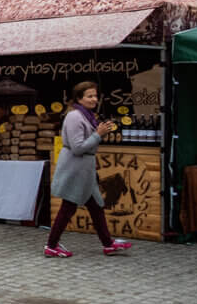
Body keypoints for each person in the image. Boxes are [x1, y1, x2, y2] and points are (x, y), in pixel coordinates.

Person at [45, 81, 132, 258]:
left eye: (95, 95)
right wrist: (97, 135)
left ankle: (108, 244)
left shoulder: (86, 115)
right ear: (79, 98)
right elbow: (78, 148)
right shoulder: (75, 117)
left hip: (85, 171)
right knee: (68, 207)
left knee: (96, 206)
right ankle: (51, 245)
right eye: (89, 96)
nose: (94, 99)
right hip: (76, 170)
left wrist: (97, 134)